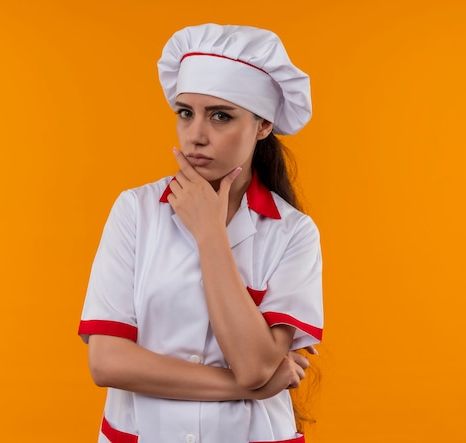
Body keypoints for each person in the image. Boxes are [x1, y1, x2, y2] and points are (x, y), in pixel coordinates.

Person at [78, 23, 323, 443]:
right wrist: (250, 388)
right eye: (185, 113)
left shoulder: (294, 233)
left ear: (262, 126)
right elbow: (108, 362)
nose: (196, 135)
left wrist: (210, 233)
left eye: (221, 116)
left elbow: (252, 364)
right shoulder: (135, 211)